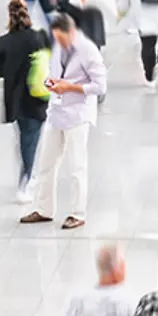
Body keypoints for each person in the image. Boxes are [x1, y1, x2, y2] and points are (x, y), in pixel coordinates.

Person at [19, 14, 107, 231]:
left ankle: (77, 213)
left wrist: (70, 87)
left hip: (78, 114)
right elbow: (54, 72)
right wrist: (51, 83)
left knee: (77, 165)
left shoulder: (88, 50)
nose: (60, 43)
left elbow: (100, 86)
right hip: (56, 111)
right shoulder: (58, 47)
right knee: (46, 162)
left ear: (72, 32)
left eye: (63, 39)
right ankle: (43, 208)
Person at [0, 0, 49, 203]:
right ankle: (27, 180)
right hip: (37, 96)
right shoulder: (39, 37)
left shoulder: (4, 41)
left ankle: (28, 177)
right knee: (30, 140)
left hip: (15, 99)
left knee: (26, 139)